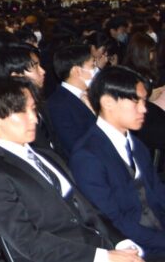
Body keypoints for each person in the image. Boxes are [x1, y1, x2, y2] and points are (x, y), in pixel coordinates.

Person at [0, 77, 142, 262]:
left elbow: (88, 208)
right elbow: (27, 242)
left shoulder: (47, 156)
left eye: (33, 109)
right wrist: (102, 257)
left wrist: (120, 242)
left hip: (97, 245)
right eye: (21, 111)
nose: (34, 118)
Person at [70, 66, 165, 259]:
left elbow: (157, 190)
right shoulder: (87, 156)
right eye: (136, 101)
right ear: (108, 102)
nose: (144, 109)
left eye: (144, 101)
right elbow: (112, 221)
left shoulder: (135, 144)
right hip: (133, 247)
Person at [0, 44, 61, 155]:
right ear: (16, 76)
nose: (43, 71)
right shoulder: (12, 117)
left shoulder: (39, 100)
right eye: (35, 67)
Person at [45, 44, 98, 159]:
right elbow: (75, 145)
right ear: (76, 71)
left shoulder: (93, 94)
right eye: (92, 65)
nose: (96, 69)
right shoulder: (58, 105)